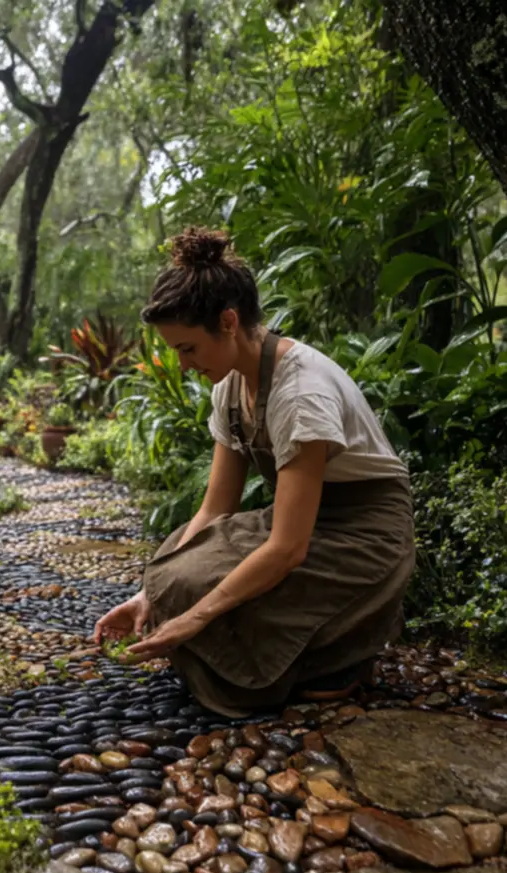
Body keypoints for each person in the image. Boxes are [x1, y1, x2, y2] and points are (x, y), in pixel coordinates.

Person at [92, 226, 415, 717]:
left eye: (187, 349)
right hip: (308, 524)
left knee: (198, 603)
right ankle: (303, 650)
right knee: (175, 565)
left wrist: (192, 620)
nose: (183, 366)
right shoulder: (231, 385)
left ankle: (341, 652)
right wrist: (148, 596)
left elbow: (287, 548)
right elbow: (215, 509)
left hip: (363, 539)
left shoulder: (301, 394)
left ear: (227, 321)